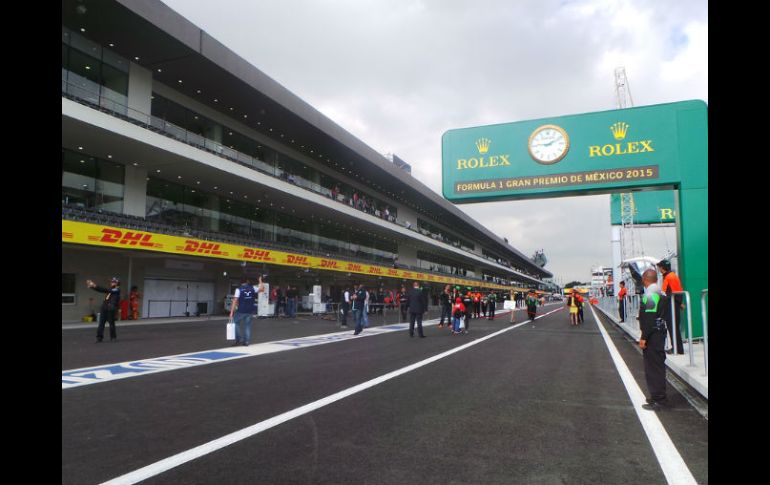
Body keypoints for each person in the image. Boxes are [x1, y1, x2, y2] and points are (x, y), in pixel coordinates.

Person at [638, 269, 669, 410]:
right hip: (659, 332)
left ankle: (659, 400)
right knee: (656, 366)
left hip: (653, 336)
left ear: (645, 279)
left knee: (653, 368)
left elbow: (649, 318)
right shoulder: (660, 292)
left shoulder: (650, 295)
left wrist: (644, 337)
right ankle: (657, 396)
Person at [657, 259, 685, 355]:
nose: (659, 269)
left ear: (662, 268)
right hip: (672, 304)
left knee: (673, 326)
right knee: (673, 327)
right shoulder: (670, 276)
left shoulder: (670, 277)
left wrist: (678, 303)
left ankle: (677, 349)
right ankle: (677, 348)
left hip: (671, 305)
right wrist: (679, 303)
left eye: (659, 267)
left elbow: (674, 292)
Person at [228, 276, 265, 346]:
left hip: (241, 310)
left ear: (241, 282)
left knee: (235, 322)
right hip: (250, 310)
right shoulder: (253, 288)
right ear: (247, 281)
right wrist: (260, 280)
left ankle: (239, 339)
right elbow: (262, 289)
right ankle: (246, 342)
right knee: (247, 326)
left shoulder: (238, 289)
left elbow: (234, 301)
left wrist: (231, 312)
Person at [87, 277, 121, 343]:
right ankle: (99, 337)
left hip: (111, 309)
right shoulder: (111, 289)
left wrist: (94, 285)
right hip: (104, 307)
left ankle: (113, 337)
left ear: (117, 283)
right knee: (101, 323)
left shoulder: (117, 289)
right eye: (111, 281)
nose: (111, 283)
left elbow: (105, 290)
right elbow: (102, 290)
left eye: (113, 282)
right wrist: (92, 287)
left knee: (111, 324)